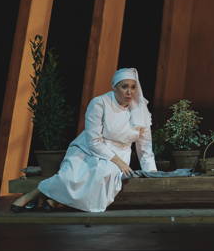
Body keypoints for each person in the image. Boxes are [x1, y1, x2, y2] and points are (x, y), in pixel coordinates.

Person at [11, 67, 156, 213]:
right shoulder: (100, 103)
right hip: (88, 148)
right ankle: (31, 195)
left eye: (133, 87)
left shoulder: (141, 110)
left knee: (102, 173)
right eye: (124, 86)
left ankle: (54, 200)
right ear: (114, 87)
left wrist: (152, 173)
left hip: (119, 154)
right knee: (70, 174)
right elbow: (93, 140)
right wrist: (117, 161)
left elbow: (145, 147)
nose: (129, 92)